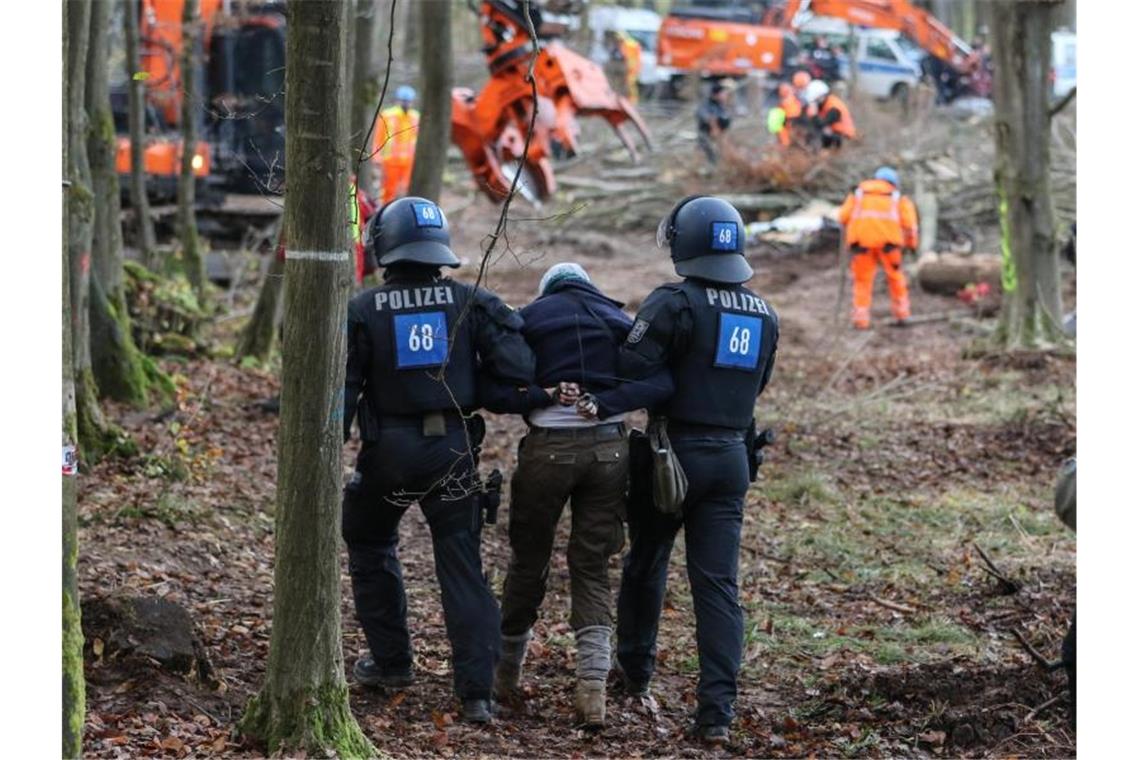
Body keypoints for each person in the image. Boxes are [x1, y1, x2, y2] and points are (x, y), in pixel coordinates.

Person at [341, 196, 537, 724]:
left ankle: (391, 662)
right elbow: (517, 367)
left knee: (368, 541)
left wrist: (332, 440)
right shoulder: (472, 303)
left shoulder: (362, 309)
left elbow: (344, 391)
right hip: (452, 454)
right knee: (461, 564)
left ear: (385, 246)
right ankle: (476, 694)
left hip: (388, 458)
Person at [479, 263, 674, 727]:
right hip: (609, 451)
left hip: (547, 452)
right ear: (588, 286)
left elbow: (490, 389)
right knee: (591, 564)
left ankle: (505, 676)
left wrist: (541, 396)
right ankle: (592, 691)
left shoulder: (528, 318)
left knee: (529, 558)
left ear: (549, 290)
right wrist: (606, 403)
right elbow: (664, 382)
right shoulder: (618, 320)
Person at [615, 196, 779, 745]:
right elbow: (758, 386)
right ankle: (717, 712)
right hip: (732, 457)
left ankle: (634, 671)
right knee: (717, 585)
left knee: (647, 560)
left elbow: (629, 366)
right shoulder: (764, 313)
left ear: (685, 242)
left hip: (672, 456)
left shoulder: (672, 302)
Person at [836, 166, 918, 329]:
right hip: (890, 246)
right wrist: (911, 245)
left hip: (861, 246)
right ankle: (902, 315)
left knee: (862, 281)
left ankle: (861, 319)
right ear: (894, 182)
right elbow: (910, 226)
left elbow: (842, 217)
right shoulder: (898, 197)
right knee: (895, 278)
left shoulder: (858, 194)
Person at [375, 85, 420, 203]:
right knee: (388, 190)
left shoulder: (415, 117)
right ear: (397, 100)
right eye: (404, 101)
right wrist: (377, 156)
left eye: (409, 101)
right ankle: (386, 211)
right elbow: (378, 137)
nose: (406, 104)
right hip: (391, 160)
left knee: (406, 188)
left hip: (409, 161)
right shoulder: (387, 115)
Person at [804, 79, 855, 150]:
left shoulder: (834, 107)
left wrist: (813, 116)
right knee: (812, 132)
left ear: (821, 96)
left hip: (844, 138)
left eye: (815, 100)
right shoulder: (825, 103)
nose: (815, 103)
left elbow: (822, 124)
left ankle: (821, 155)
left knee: (819, 134)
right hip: (836, 134)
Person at [696, 80, 733, 164]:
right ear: (715, 94)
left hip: (721, 138)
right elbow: (708, 118)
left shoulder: (721, 106)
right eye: (723, 93)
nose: (725, 95)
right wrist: (714, 128)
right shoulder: (706, 106)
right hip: (708, 139)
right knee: (711, 158)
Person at [619, 32, 643, 103]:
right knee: (630, 84)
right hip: (633, 68)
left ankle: (632, 100)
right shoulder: (631, 44)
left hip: (632, 69)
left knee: (630, 84)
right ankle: (630, 99)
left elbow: (625, 56)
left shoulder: (627, 45)